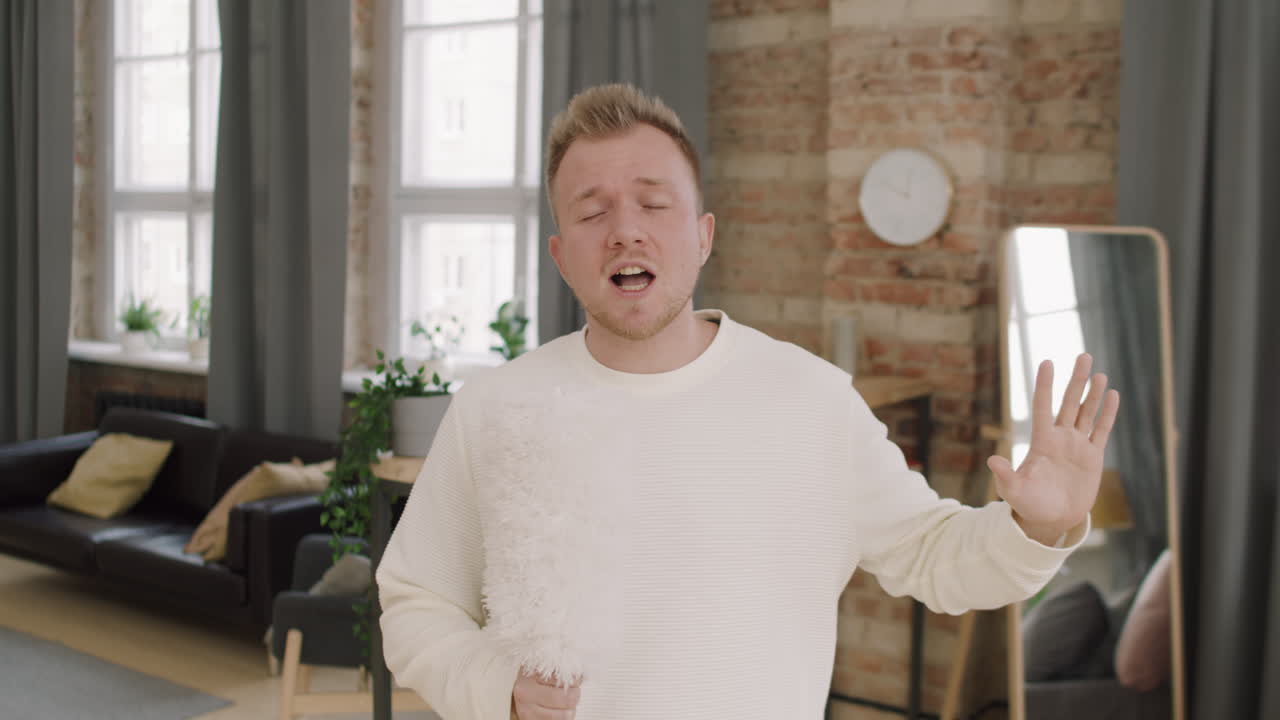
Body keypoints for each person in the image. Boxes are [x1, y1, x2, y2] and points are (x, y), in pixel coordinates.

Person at [377, 83, 1120, 720]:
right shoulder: (496, 406)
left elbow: (937, 557)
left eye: (653, 203)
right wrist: (492, 685)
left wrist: (1039, 527)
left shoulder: (813, 401)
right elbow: (414, 601)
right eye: (592, 211)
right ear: (561, 253)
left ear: (703, 238)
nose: (625, 229)